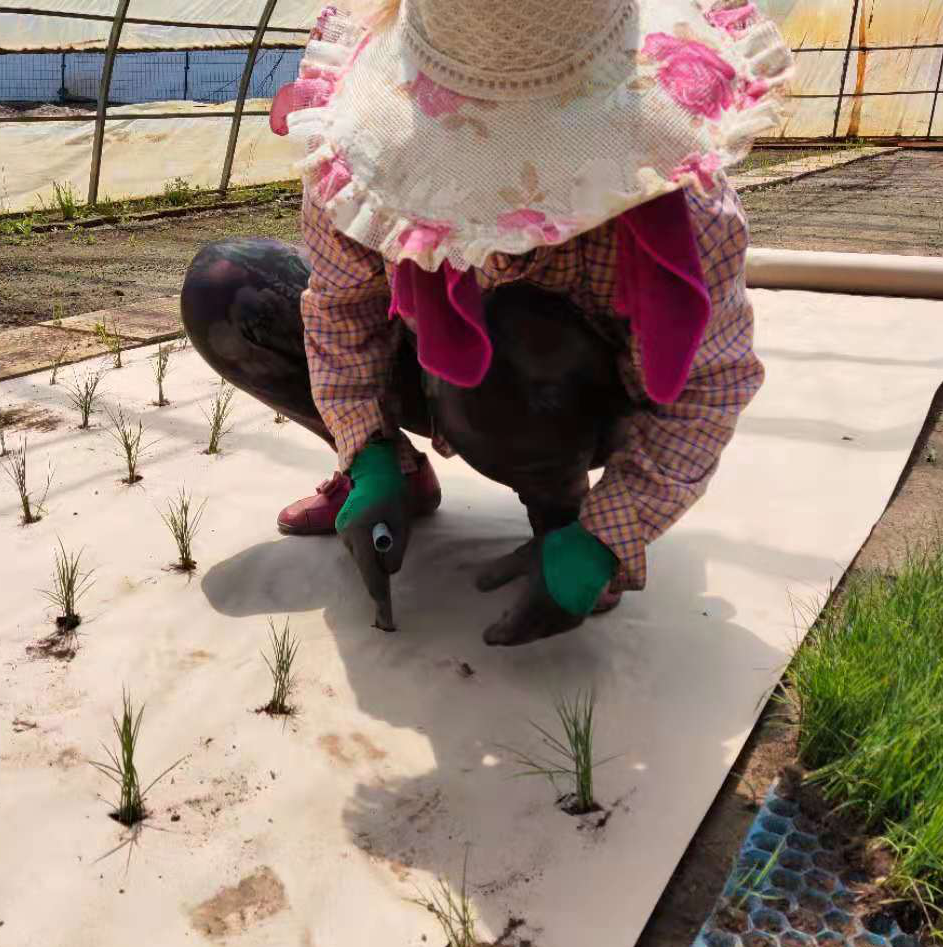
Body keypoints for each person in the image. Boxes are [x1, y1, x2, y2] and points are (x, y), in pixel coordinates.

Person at [182, 0, 792, 645]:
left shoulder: (685, 210)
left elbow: (707, 388)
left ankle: (562, 524)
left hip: (579, 395)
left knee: (517, 327)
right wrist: (367, 448)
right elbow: (341, 310)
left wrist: (609, 535)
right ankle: (396, 476)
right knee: (225, 290)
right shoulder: (361, 170)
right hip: (428, 358)